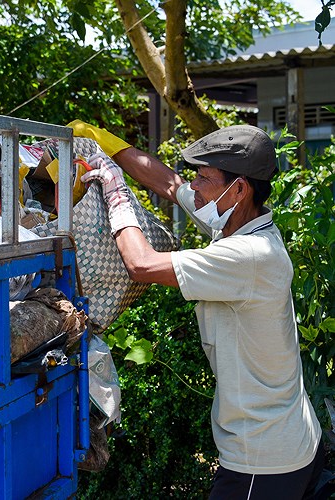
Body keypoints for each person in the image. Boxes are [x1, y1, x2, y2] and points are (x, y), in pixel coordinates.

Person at [70, 120, 324, 499]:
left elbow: (141, 264)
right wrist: (108, 144)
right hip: (290, 437)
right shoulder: (237, 224)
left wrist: (115, 190)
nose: (195, 186)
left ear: (239, 189)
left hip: (264, 458)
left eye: (203, 178)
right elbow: (170, 185)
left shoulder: (250, 255)